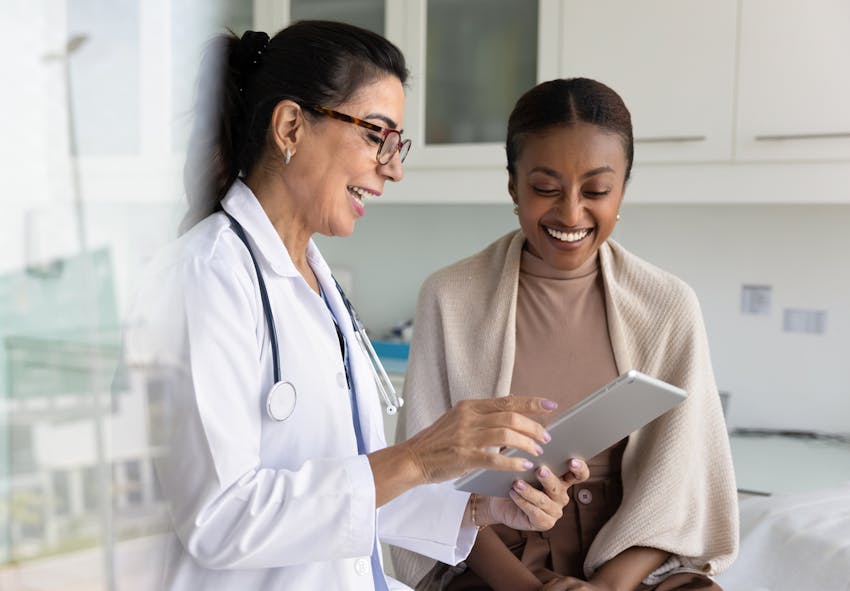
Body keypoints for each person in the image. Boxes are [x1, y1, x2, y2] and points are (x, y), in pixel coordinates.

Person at [124, 22, 591, 591]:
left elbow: (349, 489)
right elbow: (220, 519)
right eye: (376, 134)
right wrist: (419, 457)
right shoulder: (202, 277)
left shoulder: (317, 284)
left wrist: (483, 510)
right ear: (291, 125)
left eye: (397, 144)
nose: (392, 167)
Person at [391, 78, 739, 591]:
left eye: (596, 190)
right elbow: (430, 487)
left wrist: (609, 587)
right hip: (492, 556)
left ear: (623, 187)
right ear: (513, 185)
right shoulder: (449, 297)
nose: (571, 213)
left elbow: (682, 486)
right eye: (545, 188)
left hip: (629, 552)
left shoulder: (668, 306)